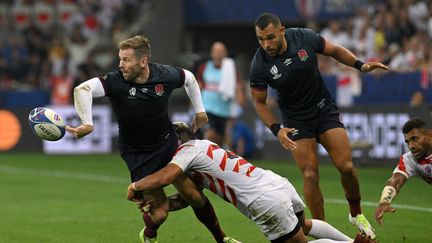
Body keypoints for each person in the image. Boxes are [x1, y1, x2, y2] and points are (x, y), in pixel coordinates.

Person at [65, 35, 237, 243]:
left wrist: (200, 112)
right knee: (160, 212)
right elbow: (83, 89)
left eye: (126, 60)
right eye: (120, 59)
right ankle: (149, 235)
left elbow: (190, 78)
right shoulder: (115, 81)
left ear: (143, 62)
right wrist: (87, 123)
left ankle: (222, 239)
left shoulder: (164, 75)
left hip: (168, 144)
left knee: (194, 195)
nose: (121, 65)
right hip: (138, 155)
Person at [248, 13, 390, 239]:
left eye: (271, 38)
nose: (266, 44)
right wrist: (277, 129)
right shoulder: (259, 64)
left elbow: (334, 50)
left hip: (324, 108)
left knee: (346, 167)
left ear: (282, 31)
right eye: (261, 39)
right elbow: (259, 103)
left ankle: (355, 213)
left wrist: (360, 65)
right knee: (310, 174)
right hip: (295, 120)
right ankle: (324, 231)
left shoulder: (303, 38)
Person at [127, 122, 376, 243]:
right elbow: (190, 198)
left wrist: (138, 186)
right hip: (276, 183)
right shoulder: (205, 150)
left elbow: (167, 176)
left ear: (178, 142)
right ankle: (348, 239)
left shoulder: (186, 152)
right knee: (305, 224)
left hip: (263, 201)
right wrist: (162, 205)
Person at [374, 117, 432, 226]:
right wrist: (384, 202)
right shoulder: (410, 159)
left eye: (415, 139)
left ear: (429, 136)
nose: (411, 146)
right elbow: (395, 181)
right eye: (407, 141)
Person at [197, 41, 238, 145]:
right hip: (207, 108)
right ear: (211, 53)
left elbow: (237, 87)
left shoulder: (230, 69)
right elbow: (198, 86)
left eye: (220, 52)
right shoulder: (204, 67)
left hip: (224, 110)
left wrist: (237, 107)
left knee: (220, 138)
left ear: (225, 53)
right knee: (210, 134)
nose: (218, 54)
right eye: (216, 51)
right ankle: (206, 156)